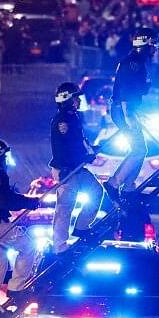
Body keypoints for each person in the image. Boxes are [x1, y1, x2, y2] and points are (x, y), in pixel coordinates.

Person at [0, 138, 41, 309]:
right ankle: (16, 287)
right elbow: (4, 201)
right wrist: (28, 202)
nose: (7, 159)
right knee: (28, 246)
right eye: (5, 155)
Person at [50, 83, 104, 252]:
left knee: (96, 191)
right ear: (66, 100)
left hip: (77, 167)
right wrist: (79, 158)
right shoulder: (62, 121)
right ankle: (59, 246)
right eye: (75, 98)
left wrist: (91, 151)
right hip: (66, 169)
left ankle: (81, 227)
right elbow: (63, 148)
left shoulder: (74, 118)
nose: (78, 101)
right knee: (65, 207)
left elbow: (79, 142)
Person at [107, 29, 159, 194]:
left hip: (127, 110)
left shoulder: (137, 62)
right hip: (124, 111)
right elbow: (126, 93)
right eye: (153, 45)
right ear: (146, 45)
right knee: (138, 150)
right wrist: (129, 116)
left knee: (140, 150)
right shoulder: (133, 65)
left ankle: (128, 185)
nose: (155, 49)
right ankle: (114, 183)